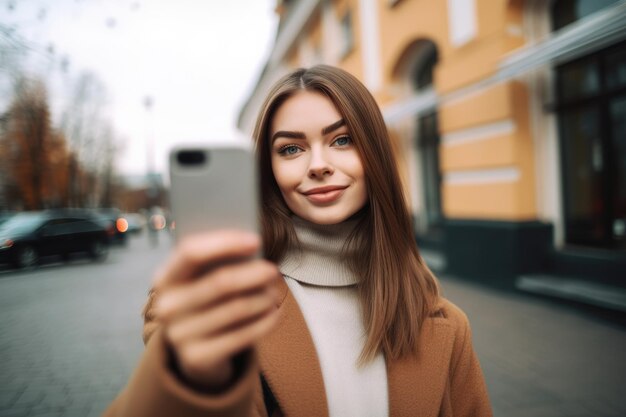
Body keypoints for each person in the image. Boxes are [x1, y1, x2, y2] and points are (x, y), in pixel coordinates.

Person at [103, 65, 492, 417]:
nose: (318, 165)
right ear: (269, 170)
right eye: (291, 149)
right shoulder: (215, 303)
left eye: (342, 140)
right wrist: (183, 360)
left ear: (374, 152)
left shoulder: (445, 323)